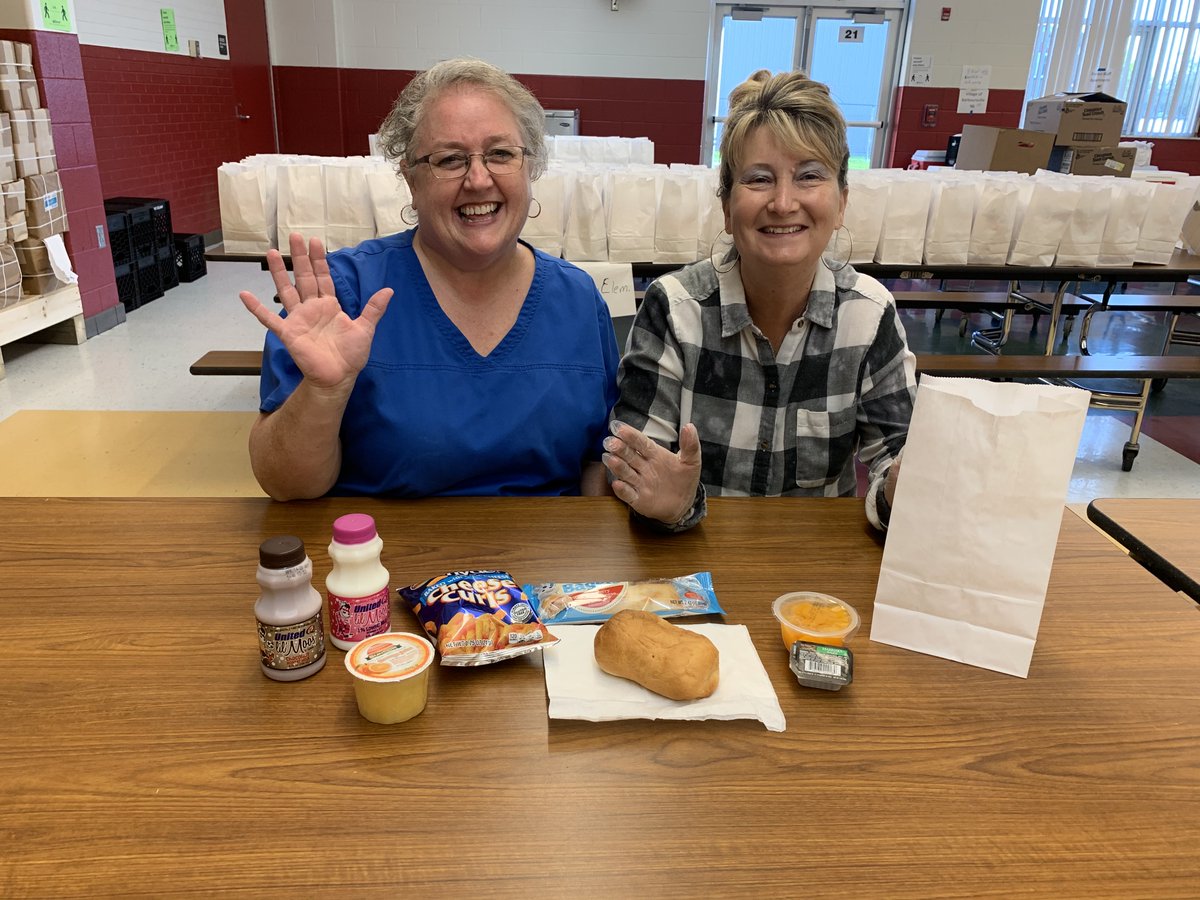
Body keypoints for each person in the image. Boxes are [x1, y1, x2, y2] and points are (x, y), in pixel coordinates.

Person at [240, 58, 619, 500]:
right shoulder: (342, 294)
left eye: (500, 154)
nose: (478, 180)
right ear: (410, 178)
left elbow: (598, 462)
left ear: (529, 167)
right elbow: (284, 485)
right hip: (386, 560)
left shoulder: (576, 299)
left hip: (539, 560)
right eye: (449, 159)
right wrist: (325, 393)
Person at [604, 69, 914, 532]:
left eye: (810, 176)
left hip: (818, 581)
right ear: (727, 207)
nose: (784, 202)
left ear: (842, 201)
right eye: (759, 179)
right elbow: (637, 464)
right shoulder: (674, 308)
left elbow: (897, 459)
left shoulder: (869, 315)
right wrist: (668, 500)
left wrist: (904, 486)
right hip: (692, 563)